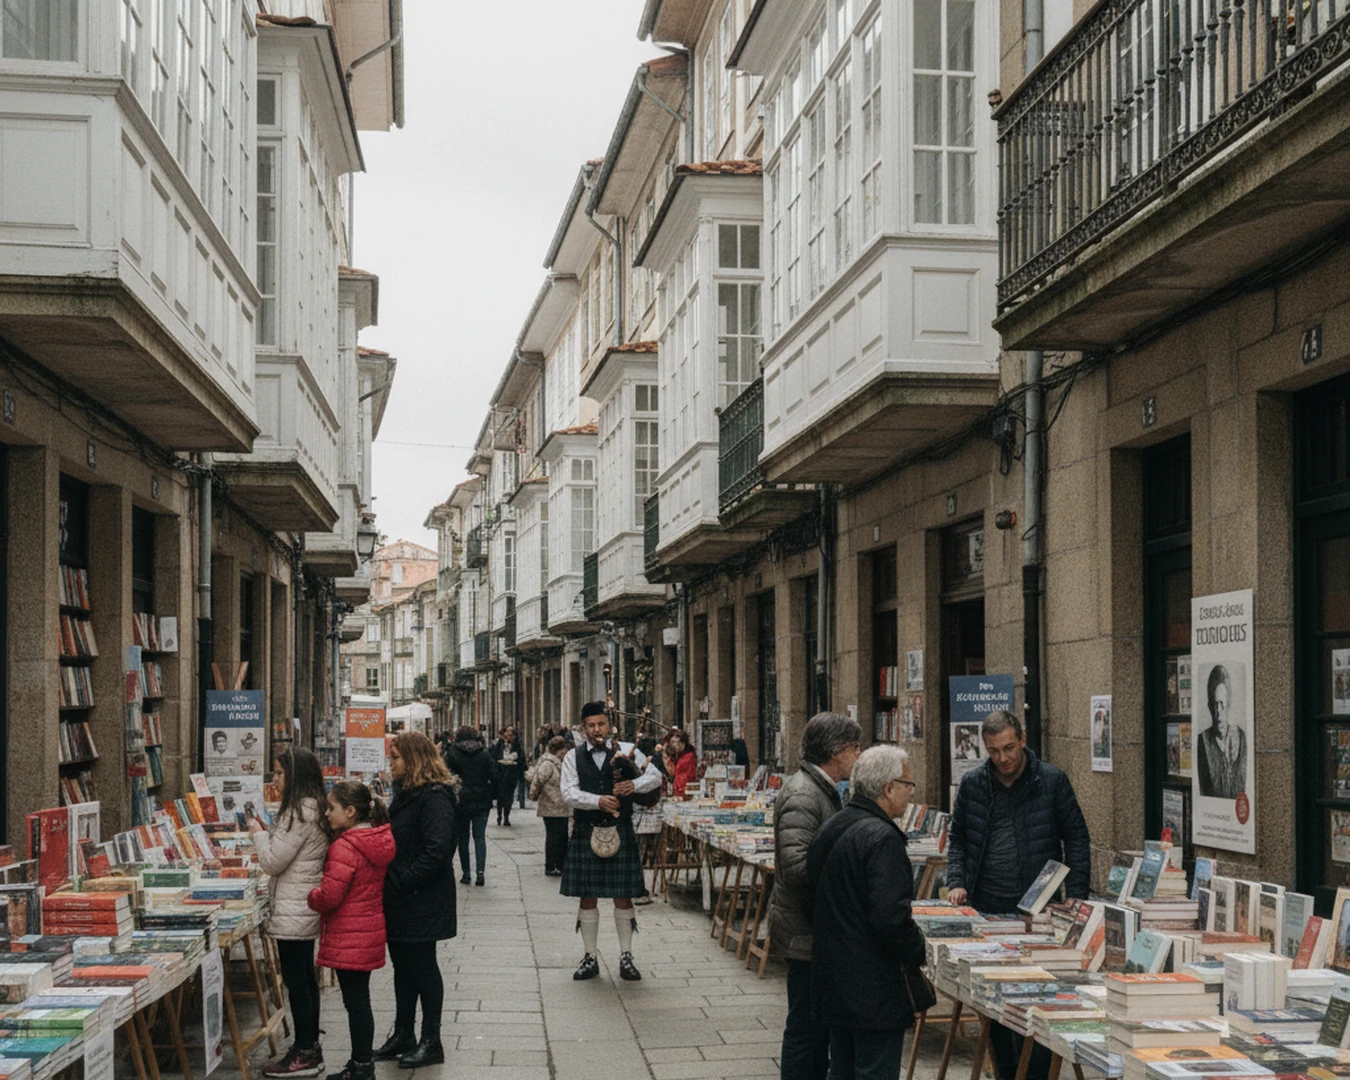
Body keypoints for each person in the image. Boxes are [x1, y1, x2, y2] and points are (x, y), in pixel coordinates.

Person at [946, 710, 1090, 1080]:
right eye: (994, 751)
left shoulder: (1052, 781)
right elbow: (958, 838)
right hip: (988, 907)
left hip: (1038, 912)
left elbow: (1076, 838)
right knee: (995, 1003)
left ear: (1023, 740)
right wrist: (957, 881)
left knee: (1039, 999)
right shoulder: (973, 783)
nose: (1003, 758)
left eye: (1009, 748)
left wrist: (1076, 895)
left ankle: (1037, 1075)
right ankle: (1007, 1073)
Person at [807, 745, 926, 1080]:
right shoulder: (883, 838)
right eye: (907, 784)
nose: (910, 792)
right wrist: (917, 948)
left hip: (835, 977)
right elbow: (891, 919)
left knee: (842, 1067)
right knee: (874, 1070)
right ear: (888, 788)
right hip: (872, 986)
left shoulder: (834, 826)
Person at [772, 712, 863, 1080]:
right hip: (805, 931)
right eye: (855, 747)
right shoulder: (804, 794)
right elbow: (796, 868)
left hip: (812, 930)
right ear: (835, 751)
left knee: (814, 1027)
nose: (858, 755)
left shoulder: (821, 789)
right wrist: (847, 883)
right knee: (806, 1030)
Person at [560, 701, 662, 982]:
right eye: (591, 725)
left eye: (601, 724)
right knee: (587, 896)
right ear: (583, 728)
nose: (597, 730)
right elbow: (568, 792)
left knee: (623, 895)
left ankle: (626, 957)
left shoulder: (627, 749)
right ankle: (590, 957)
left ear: (609, 725)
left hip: (620, 828)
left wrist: (633, 785)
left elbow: (655, 776)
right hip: (586, 829)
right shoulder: (572, 757)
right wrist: (598, 801)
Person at [375, 732, 457, 1068]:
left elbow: (438, 850)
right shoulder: (406, 793)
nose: (390, 763)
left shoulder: (434, 797)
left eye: (395, 757)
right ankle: (404, 1033)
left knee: (423, 968)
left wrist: (403, 882)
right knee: (403, 968)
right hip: (402, 898)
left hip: (422, 898)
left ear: (413, 759)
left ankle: (431, 1041)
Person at [306, 782, 395, 1080]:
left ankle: (362, 1067)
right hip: (368, 930)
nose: (327, 813)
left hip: (349, 934)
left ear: (351, 811)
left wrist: (312, 896)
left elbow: (329, 896)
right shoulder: (376, 839)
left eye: (332, 808)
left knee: (356, 1003)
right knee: (360, 1001)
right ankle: (361, 1064)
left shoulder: (345, 846)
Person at [254, 747, 331, 1079]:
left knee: (297, 981)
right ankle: (309, 1046)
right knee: (305, 979)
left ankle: (304, 1053)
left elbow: (272, 861)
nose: (275, 779)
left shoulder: (299, 812)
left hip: (294, 908)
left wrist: (257, 833)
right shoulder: (314, 807)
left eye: (279, 773)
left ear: (295, 775)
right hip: (301, 905)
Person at [444, 725, 493, 886]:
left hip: (461, 800)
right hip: (481, 799)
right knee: (480, 837)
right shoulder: (484, 753)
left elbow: (445, 774)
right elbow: (494, 774)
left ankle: (466, 874)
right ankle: (480, 873)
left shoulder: (452, 753)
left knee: (463, 838)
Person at [1196, 665, 1246, 799]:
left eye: (1222, 704)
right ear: (1209, 706)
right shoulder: (1203, 741)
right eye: (1215, 704)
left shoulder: (1241, 737)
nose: (1218, 711)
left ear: (1229, 704)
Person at [530, 735, 571, 876]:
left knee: (562, 837)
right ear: (557, 750)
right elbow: (538, 781)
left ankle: (560, 864)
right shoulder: (548, 764)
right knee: (553, 837)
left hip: (561, 806)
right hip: (550, 806)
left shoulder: (559, 763)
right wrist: (535, 795)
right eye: (563, 750)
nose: (565, 752)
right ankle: (551, 865)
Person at [490, 727, 526, 826]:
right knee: (500, 796)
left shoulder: (517, 746)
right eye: (508, 734)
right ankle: (499, 815)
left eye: (511, 734)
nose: (509, 737)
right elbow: (493, 757)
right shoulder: (499, 745)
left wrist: (516, 763)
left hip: (511, 775)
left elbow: (521, 759)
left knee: (509, 797)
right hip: (500, 774)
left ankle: (506, 816)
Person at [661, 729, 698, 798]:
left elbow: (674, 772)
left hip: (685, 789)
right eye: (672, 742)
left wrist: (665, 753)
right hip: (679, 788)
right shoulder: (679, 755)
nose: (672, 745)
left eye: (674, 742)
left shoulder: (688, 757)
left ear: (682, 742)